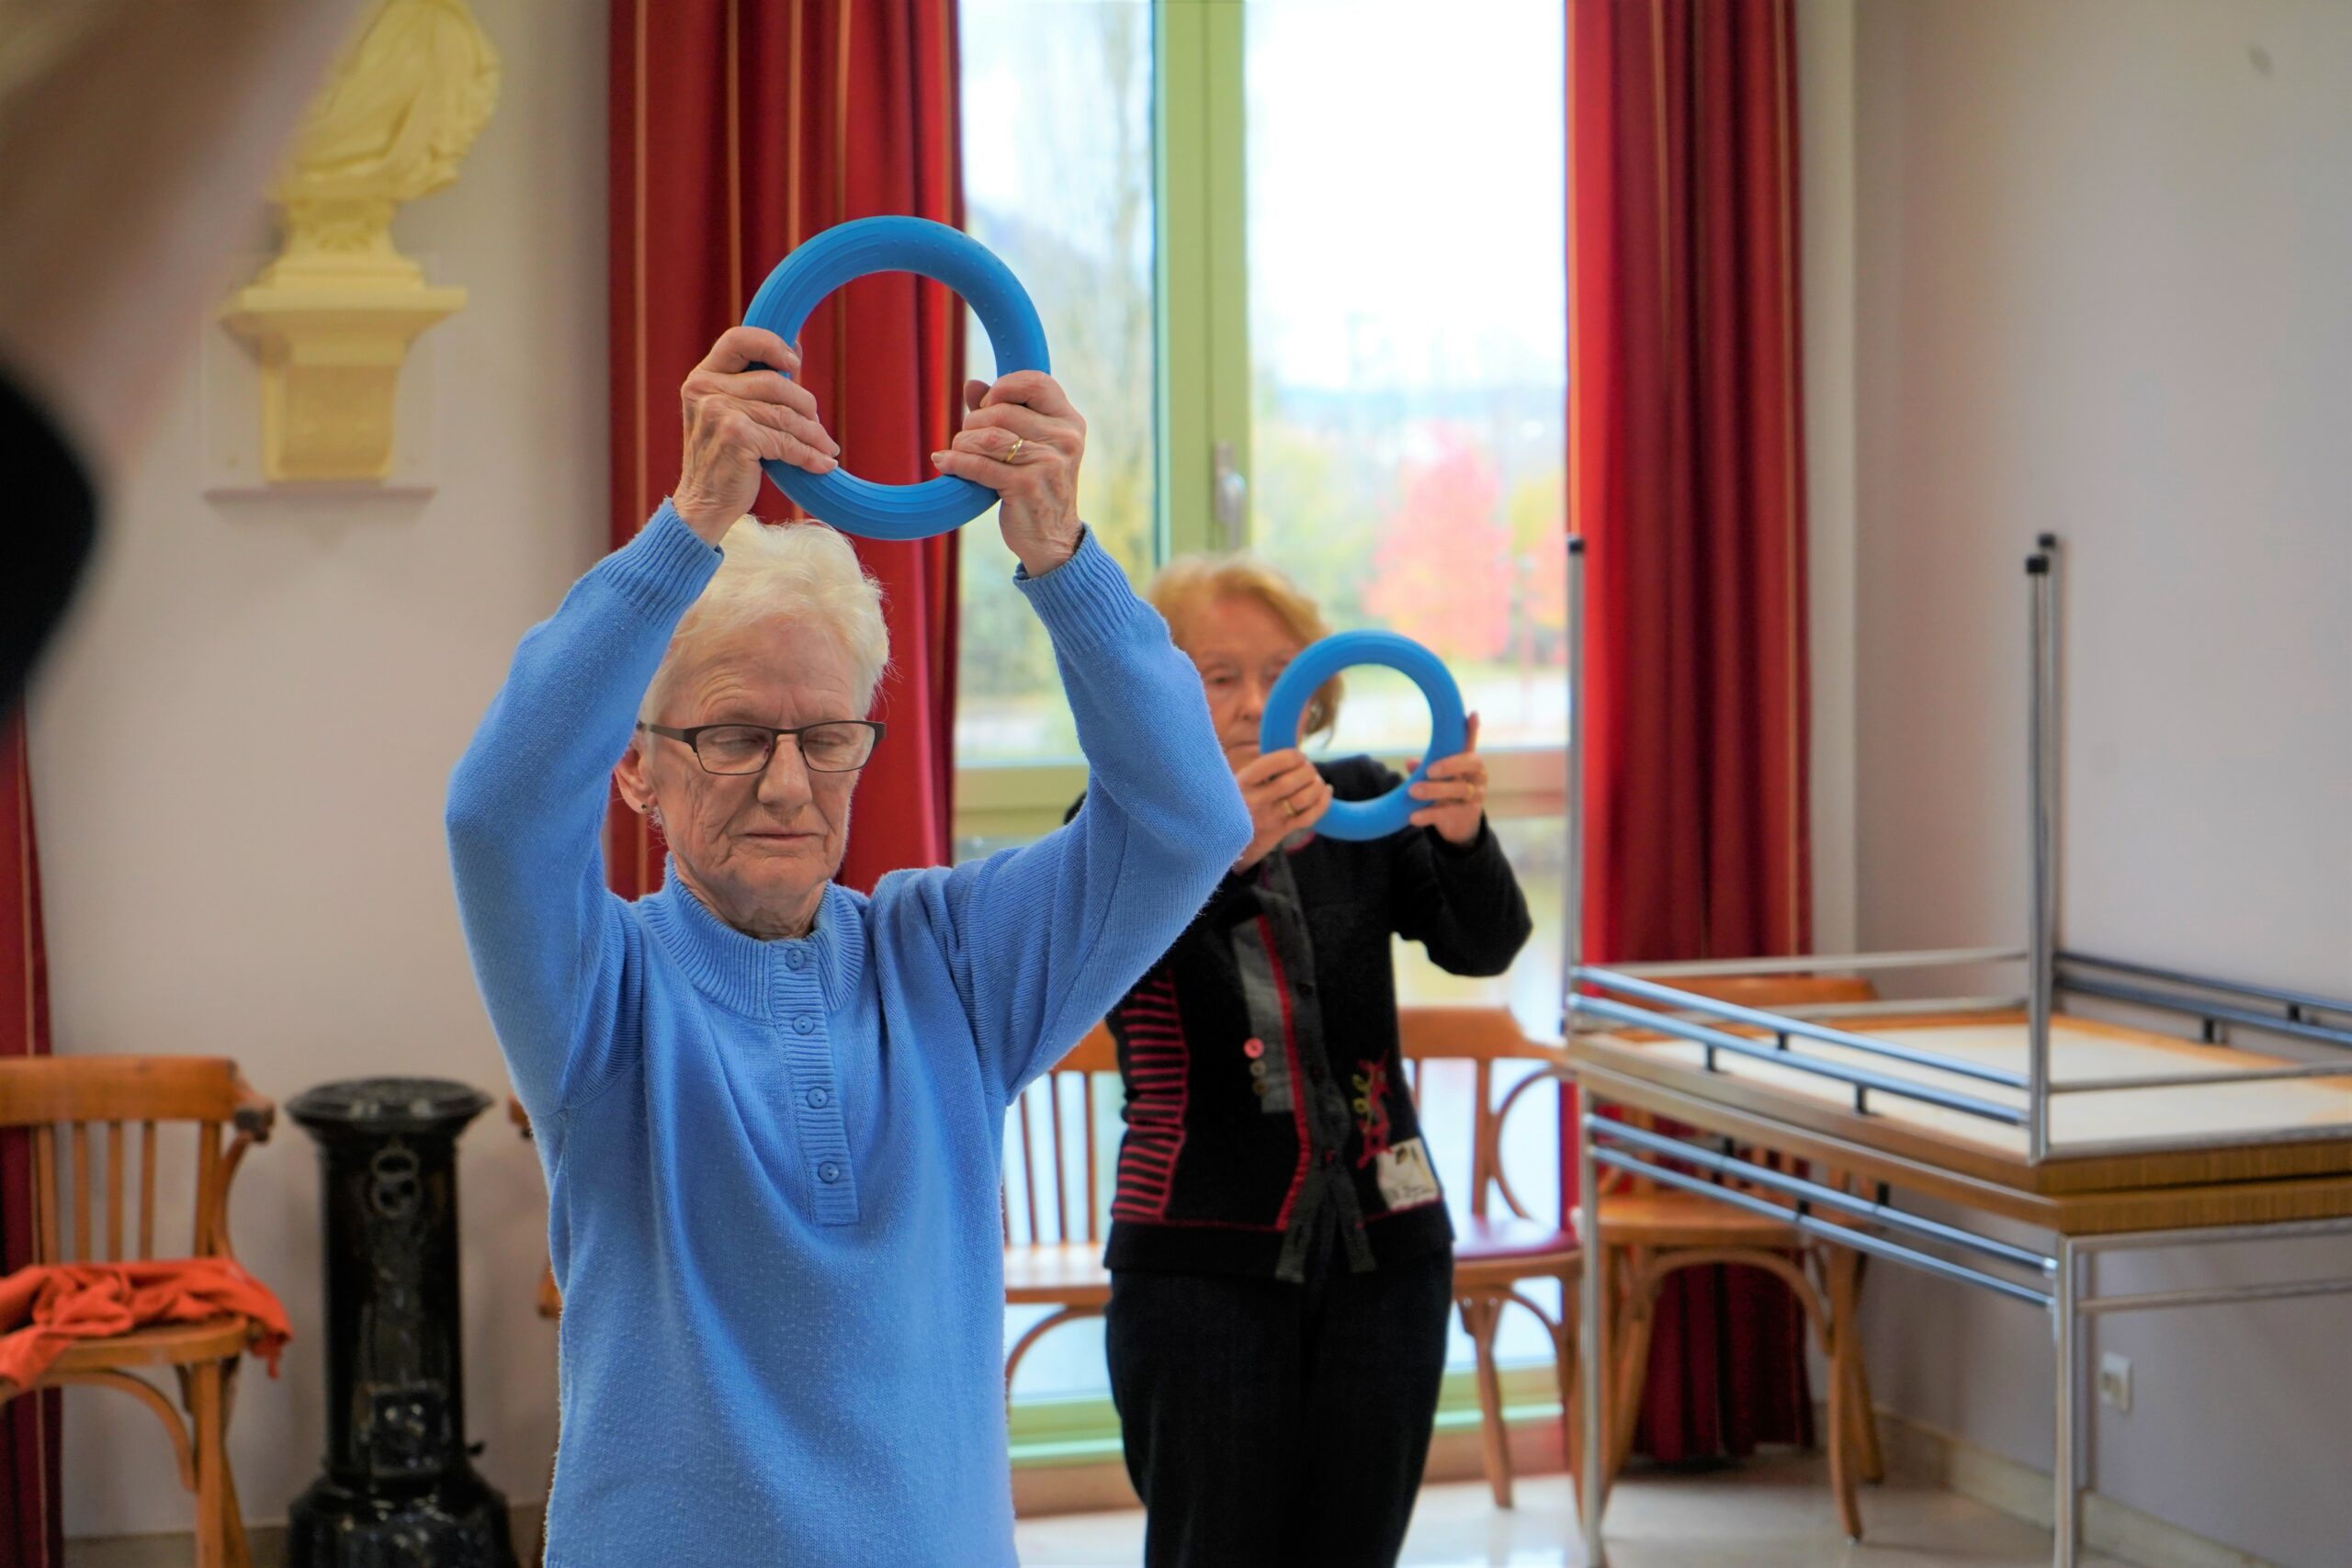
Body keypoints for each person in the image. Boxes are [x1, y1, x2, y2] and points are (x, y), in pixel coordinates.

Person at [446, 326, 1250, 1567]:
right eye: (730, 734)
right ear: (636, 768)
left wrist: (1063, 560)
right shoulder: (604, 997)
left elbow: (1190, 816)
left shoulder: (954, 965)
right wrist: (690, 524)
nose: (785, 783)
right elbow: (496, 813)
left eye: (826, 736)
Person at [1085, 554, 1532, 1568]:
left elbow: (1483, 943)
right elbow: (1114, 965)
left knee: (1356, 1545)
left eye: (1277, 671)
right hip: (1200, 1260)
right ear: (1154, 685)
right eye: (1217, 675)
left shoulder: (1364, 803)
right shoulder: (1114, 831)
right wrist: (1225, 848)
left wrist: (1462, 834)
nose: (1253, 703)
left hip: (1388, 1246)